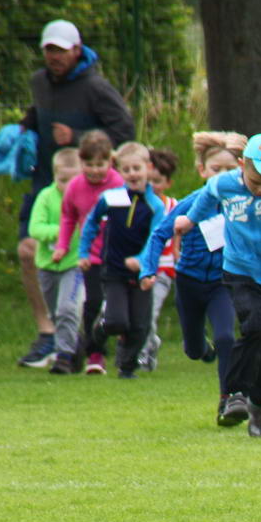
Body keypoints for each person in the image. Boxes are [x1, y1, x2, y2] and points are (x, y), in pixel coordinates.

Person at [140, 133, 261, 437]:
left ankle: (259, 405)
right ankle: (234, 394)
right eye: (256, 181)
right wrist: (189, 221)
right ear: (243, 165)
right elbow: (207, 197)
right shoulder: (225, 183)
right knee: (257, 325)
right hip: (238, 271)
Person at [14, 19, 135, 365]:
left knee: (89, 260)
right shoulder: (39, 82)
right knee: (28, 251)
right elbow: (40, 112)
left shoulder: (95, 87)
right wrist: (21, 130)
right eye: (49, 50)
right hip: (45, 183)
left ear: (77, 50)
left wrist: (77, 136)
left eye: (61, 50)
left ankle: (85, 334)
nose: (54, 56)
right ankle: (48, 333)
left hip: (86, 188)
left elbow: (125, 130)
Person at [148, 133, 244, 406]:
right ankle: (201, 347)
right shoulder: (192, 203)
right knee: (193, 349)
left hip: (222, 283)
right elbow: (159, 235)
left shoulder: (242, 206)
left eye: (230, 170)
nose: (222, 176)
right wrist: (149, 270)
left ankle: (228, 399)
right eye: (216, 169)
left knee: (226, 337)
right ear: (202, 170)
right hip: (189, 283)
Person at [77, 140, 164, 379]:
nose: (132, 174)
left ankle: (127, 367)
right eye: (126, 170)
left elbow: (156, 238)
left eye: (137, 168)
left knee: (139, 325)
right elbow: (91, 223)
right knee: (117, 321)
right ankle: (100, 330)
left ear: (148, 168)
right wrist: (84, 253)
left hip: (142, 273)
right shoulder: (111, 198)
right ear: (119, 171)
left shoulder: (155, 206)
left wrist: (142, 261)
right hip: (114, 271)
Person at [50, 129, 121, 374]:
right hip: (90, 257)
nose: (95, 170)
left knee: (117, 306)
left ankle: (123, 347)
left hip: (116, 256)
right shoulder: (75, 187)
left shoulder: (118, 184)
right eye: (89, 164)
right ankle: (95, 354)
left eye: (100, 164)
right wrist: (62, 245)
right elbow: (68, 217)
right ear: (81, 162)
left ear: (110, 161)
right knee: (92, 304)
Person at [24, 148, 83, 370]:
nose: (67, 186)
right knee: (56, 312)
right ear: (54, 176)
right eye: (62, 180)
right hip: (48, 266)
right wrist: (62, 231)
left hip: (74, 264)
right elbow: (35, 228)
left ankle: (63, 356)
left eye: (73, 180)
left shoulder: (84, 198)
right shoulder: (46, 197)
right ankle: (76, 346)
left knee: (68, 308)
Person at [139, 146, 181, 372]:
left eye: (157, 181)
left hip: (162, 271)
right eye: (149, 181)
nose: (152, 186)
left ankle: (145, 354)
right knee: (135, 313)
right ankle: (146, 343)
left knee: (149, 311)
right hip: (137, 266)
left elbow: (178, 236)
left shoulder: (173, 206)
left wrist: (178, 257)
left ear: (167, 183)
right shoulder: (135, 204)